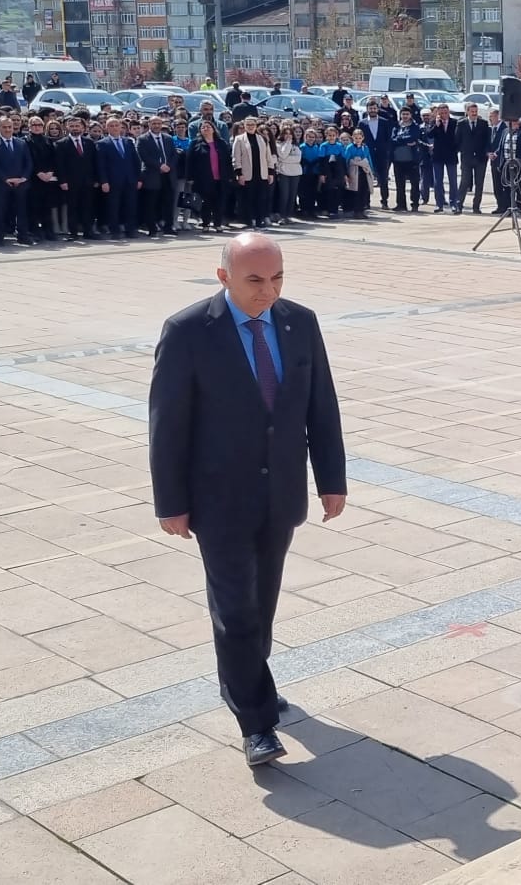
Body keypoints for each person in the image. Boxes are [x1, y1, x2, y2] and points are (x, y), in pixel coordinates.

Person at [149, 232, 347, 765]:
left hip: (280, 491)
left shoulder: (299, 323)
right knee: (235, 610)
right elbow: (168, 425)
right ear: (224, 278)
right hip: (217, 498)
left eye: (277, 278)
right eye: (255, 280)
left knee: (262, 607)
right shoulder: (189, 331)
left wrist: (332, 479)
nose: (269, 290)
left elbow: (320, 405)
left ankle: (244, 679)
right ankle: (256, 722)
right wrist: (170, 501)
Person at [0, 113, 35, 246]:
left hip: (20, 183)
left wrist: (23, 178)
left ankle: (23, 235)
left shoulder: (21, 143)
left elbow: (28, 162)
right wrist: (5, 179)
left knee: (22, 211)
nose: (7, 129)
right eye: (4, 127)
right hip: (1, 184)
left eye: (10, 127)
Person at [454, 102, 492, 214]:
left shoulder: (483, 123)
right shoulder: (461, 123)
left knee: (479, 183)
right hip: (467, 158)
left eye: (476, 111)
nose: (474, 113)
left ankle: (476, 206)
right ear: (467, 112)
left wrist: (486, 152)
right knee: (464, 182)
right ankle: (459, 205)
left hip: (480, 159)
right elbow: (457, 140)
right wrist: (463, 151)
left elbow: (487, 140)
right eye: (472, 111)